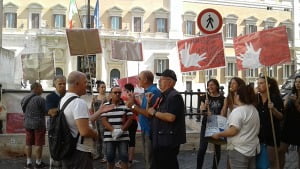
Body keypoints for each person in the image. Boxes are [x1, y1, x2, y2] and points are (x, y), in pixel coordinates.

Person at [212, 84, 260, 169]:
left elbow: (233, 130)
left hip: (239, 150)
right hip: (252, 148)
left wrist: (219, 134)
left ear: (238, 96)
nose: (234, 96)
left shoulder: (238, 111)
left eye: (235, 94)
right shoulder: (253, 109)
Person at [147, 69, 186, 169]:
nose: (159, 81)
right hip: (160, 140)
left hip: (167, 142)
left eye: (162, 79)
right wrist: (148, 102)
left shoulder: (174, 96)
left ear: (170, 82)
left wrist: (155, 113)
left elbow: (171, 117)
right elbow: (150, 112)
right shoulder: (163, 96)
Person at [60, 71, 98, 169]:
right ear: (77, 84)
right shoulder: (78, 102)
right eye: (85, 82)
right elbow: (84, 131)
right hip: (80, 152)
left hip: (68, 148)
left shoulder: (64, 100)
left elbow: (79, 122)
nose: (87, 85)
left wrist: (100, 111)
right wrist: (96, 134)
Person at [126, 70, 161, 169]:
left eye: (139, 78)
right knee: (147, 158)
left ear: (145, 80)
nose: (138, 80)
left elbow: (149, 114)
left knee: (150, 159)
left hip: (150, 130)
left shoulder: (153, 92)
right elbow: (142, 110)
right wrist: (134, 103)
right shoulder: (148, 91)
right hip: (146, 129)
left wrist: (133, 106)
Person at [100, 86, 133, 169]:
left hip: (123, 135)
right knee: (110, 157)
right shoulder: (106, 105)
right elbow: (104, 120)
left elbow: (130, 119)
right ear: (111, 94)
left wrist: (121, 130)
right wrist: (114, 130)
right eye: (115, 92)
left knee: (124, 157)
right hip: (109, 136)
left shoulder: (126, 104)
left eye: (119, 92)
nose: (117, 94)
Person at [256, 76, 284, 169]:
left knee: (271, 162)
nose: (258, 85)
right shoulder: (256, 99)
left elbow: (281, 116)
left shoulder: (275, 98)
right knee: (259, 163)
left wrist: (273, 109)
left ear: (268, 85)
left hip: (272, 135)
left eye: (261, 83)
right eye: (258, 83)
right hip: (258, 136)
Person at [197, 79, 225, 169]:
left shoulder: (222, 99)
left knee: (217, 150)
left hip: (218, 125)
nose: (210, 87)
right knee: (202, 149)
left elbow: (223, 113)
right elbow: (201, 112)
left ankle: (214, 167)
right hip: (206, 125)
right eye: (209, 85)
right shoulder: (204, 97)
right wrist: (204, 108)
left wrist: (214, 116)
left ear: (217, 86)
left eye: (212, 85)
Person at [21, 82, 47, 169]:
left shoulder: (24, 98)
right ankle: (38, 163)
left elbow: (24, 110)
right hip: (38, 125)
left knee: (28, 143)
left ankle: (28, 162)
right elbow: (46, 111)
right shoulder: (40, 99)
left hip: (27, 124)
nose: (42, 90)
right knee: (38, 144)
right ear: (36, 88)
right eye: (41, 87)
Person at [46, 75, 67, 169]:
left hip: (67, 128)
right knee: (55, 149)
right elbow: (51, 112)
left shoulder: (68, 95)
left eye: (64, 83)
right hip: (55, 129)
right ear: (55, 85)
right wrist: (63, 109)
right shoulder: (50, 97)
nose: (63, 86)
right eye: (60, 84)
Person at [280, 75, 300, 169]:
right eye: (296, 82)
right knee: (281, 149)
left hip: (299, 126)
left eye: (299, 82)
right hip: (288, 125)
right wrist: (286, 101)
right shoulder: (290, 93)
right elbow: (283, 109)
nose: (297, 84)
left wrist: (296, 103)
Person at [90, 80, 108, 162]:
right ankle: (98, 153)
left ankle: (105, 155)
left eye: (104, 87)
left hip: (104, 120)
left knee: (104, 138)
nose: (103, 89)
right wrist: (92, 103)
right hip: (96, 120)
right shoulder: (95, 98)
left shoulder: (108, 98)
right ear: (98, 89)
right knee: (97, 138)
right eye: (102, 87)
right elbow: (91, 110)